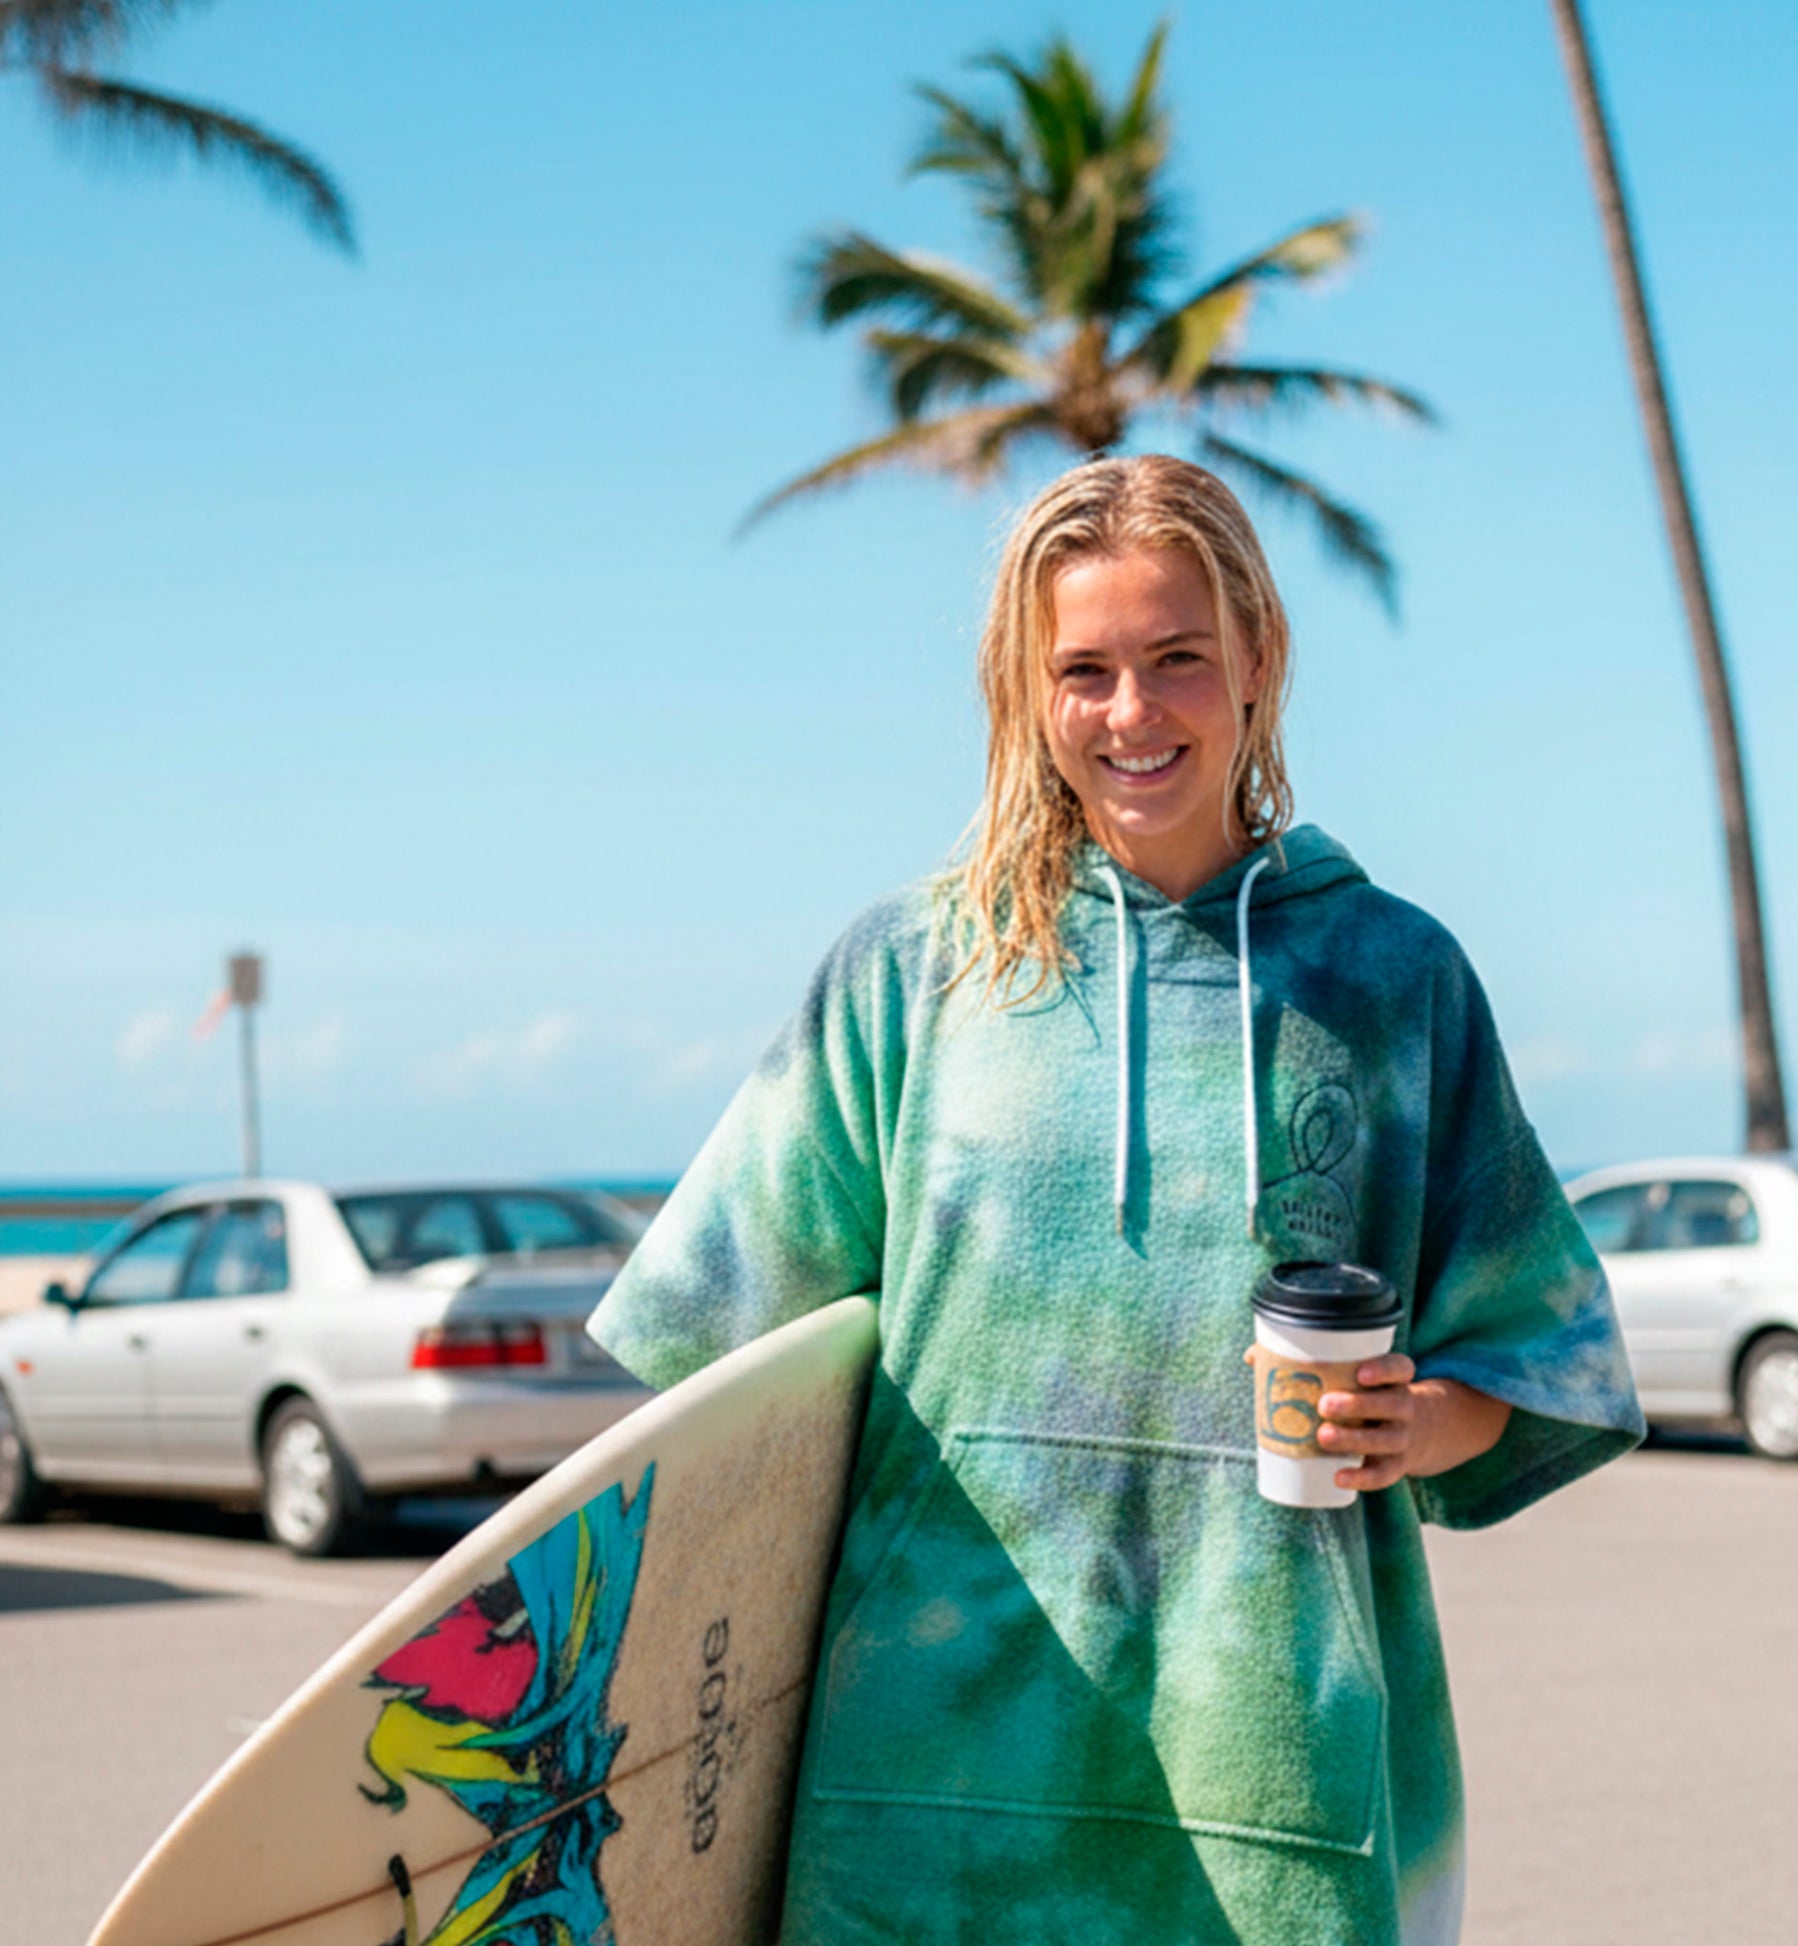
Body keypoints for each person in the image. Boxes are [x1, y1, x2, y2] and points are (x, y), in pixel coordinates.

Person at [589, 454, 1644, 1945]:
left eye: (1175, 660)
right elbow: (717, 1381)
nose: (1129, 714)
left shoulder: (1390, 981)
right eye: (1081, 671)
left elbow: (1534, 1357)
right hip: (920, 1781)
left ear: (1259, 659)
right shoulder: (912, 974)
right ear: (1024, 690)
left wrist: (1418, 1422)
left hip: (1272, 1784)